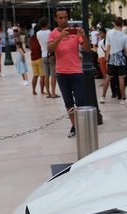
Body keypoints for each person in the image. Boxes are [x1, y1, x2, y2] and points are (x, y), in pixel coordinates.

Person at [48, 6, 92, 138]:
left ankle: (83, 126)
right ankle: (75, 126)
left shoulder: (75, 33)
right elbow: (50, 49)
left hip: (76, 72)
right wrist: (60, 37)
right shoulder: (53, 34)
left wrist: (83, 37)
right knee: (68, 102)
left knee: (80, 101)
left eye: (65, 17)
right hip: (61, 73)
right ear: (56, 19)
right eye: (60, 18)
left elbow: (88, 49)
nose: (64, 20)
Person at [100, 17, 127, 105]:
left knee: (108, 78)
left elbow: (107, 48)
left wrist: (107, 60)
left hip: (112, 59)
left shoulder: (110, 33)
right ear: (122, 24)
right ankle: (123, 98)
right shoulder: (125, 36)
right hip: (121, 60)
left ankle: (103, 96)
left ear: (114, 23)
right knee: (121, 79)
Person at [37, 17, 58, 98]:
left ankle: (48, 93)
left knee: (46, 75)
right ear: (47, 24)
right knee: (53, 74)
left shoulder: (38, 33)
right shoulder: (50, 32)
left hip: (43, 55)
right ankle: (53, 93)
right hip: (51, 54)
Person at [29, 24, 45, 95]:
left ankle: (33, 91)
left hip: (33, 58)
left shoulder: (32, 38)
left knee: (35, 76)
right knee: (42, 76)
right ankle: (42, 91)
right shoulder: (40, 37)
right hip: (39, 57)